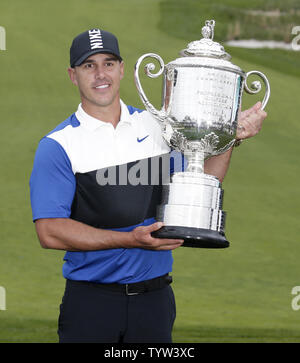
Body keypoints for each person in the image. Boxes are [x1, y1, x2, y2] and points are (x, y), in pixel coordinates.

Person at [29, 28, 267, 343]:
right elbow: (50, 231)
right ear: (73, 75)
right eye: (89, 66)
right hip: (91, 303)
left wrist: (229, 137)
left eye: (109, 63)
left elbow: (204, 178)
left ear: (122, 69)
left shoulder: (158, 127)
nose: (101, 74)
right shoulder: (58, 145)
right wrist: (130, 239)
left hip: (155, 301)